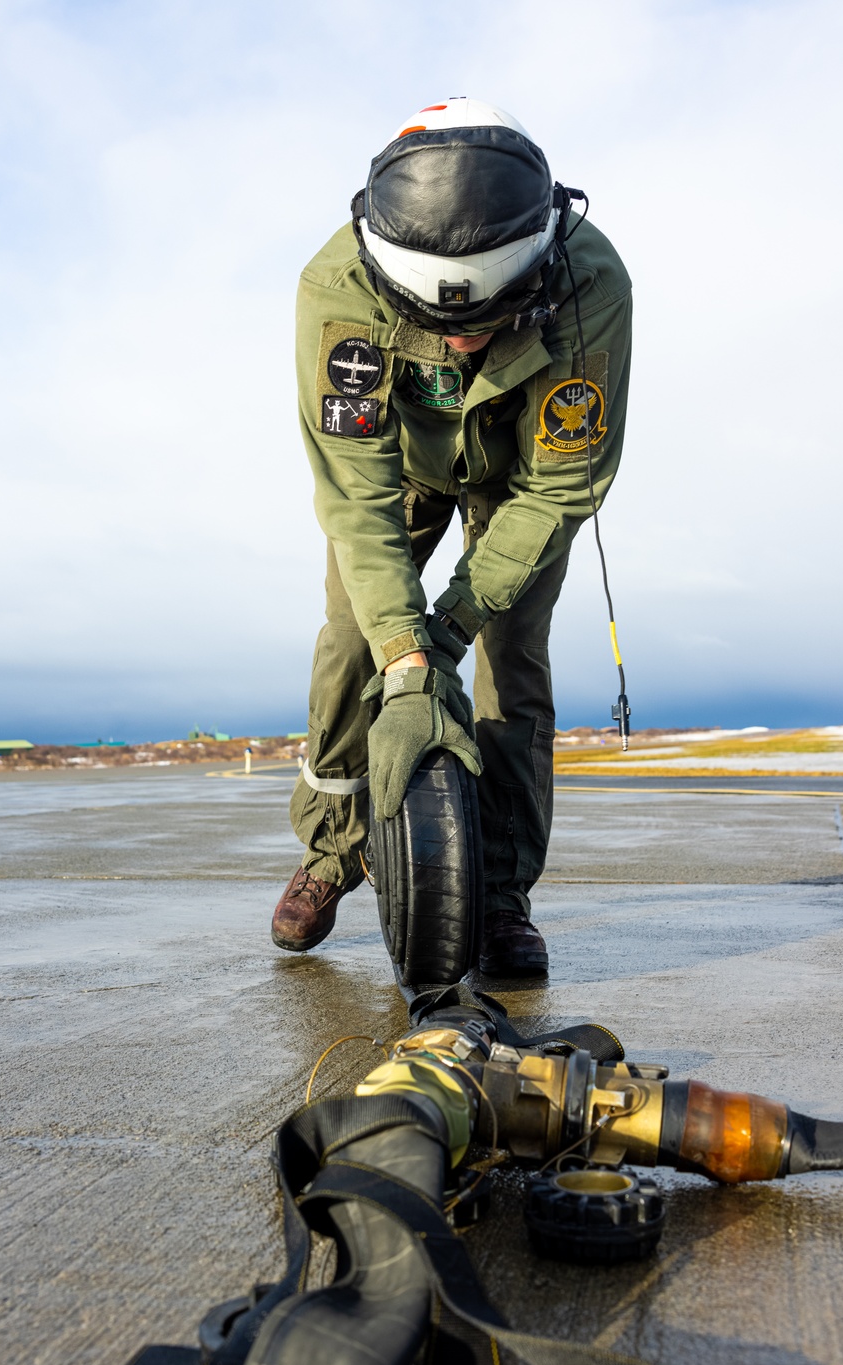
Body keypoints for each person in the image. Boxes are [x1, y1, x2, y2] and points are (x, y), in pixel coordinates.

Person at [272, 97, 632, 976]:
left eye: (485, 316)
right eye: (440, 323)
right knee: (353, 641)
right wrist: (406, 650)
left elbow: (563, 482)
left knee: (512, 659)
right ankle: (330, 851)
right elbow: (355, 493)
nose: (463, 336)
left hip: (525, 481)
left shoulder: (590, 286)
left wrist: (454, 622)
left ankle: (502, 893)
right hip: (402, 472)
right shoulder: (336, 293)